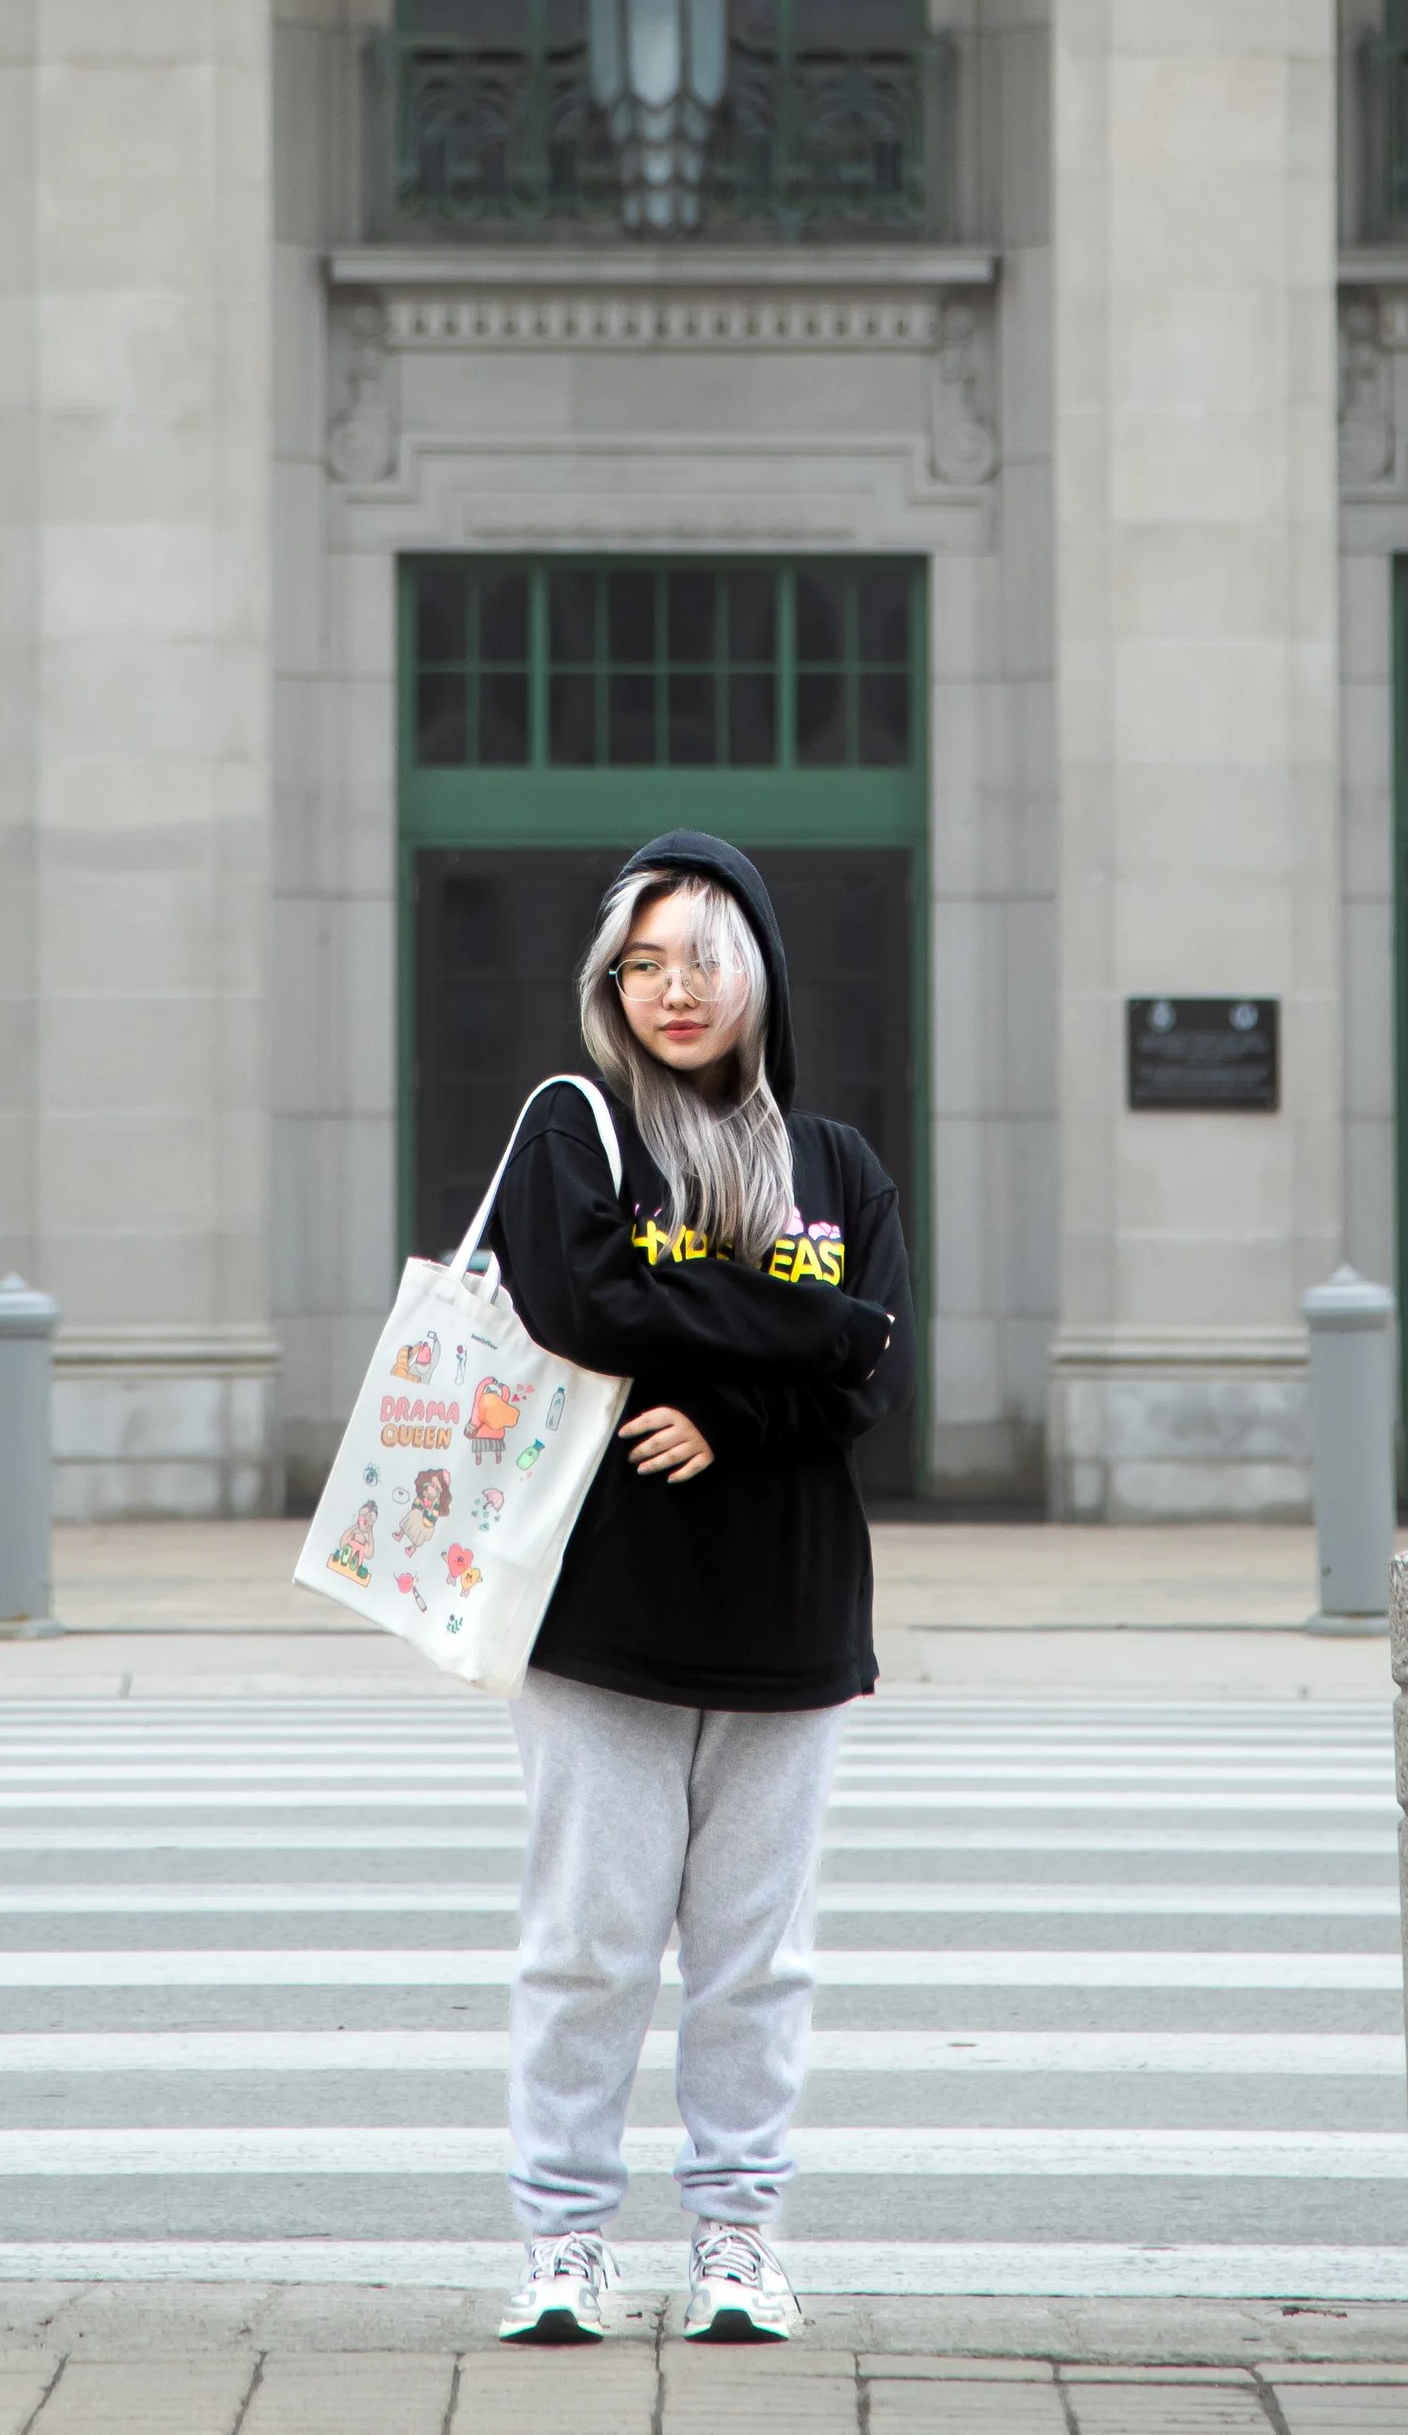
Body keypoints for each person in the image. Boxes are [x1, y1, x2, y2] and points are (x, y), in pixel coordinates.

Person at [481, 825, 915, 2347]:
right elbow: (582, 1298)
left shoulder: (836, 1163)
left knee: (754, 1960)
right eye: (643, 961)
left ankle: (737, 2239)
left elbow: (873, 1383)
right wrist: (806, 1328)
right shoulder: (578, 1131)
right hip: (602, 1617)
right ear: (612, 979)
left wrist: (729, 1404)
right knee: (587, 1946)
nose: (674, 987)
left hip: (791, 1618)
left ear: (758, 976)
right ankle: (564, 2245)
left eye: (703, 959)